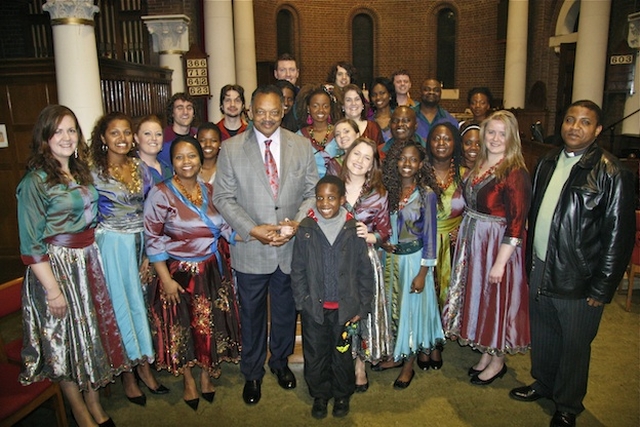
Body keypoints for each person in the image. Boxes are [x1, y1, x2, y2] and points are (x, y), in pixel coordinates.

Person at [508, 100, 635, 427]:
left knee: (574, 346)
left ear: (597, 130)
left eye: (584, 122)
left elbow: (618, 235)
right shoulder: (548, 160)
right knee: (545, 334)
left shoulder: (611, 172)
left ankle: (567, 405)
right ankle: (544, 383)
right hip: (540, 266)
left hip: (579, 279)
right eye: (569, 120)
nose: (574, 127)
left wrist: (603, 286)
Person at [17, 105, 129, 427]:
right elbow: (30, 245)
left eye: (71, 130)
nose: (66, 138)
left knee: (89, 336)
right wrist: (52, 291)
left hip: (86, 262)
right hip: (56, 268)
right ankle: (80, 413)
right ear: (45, 137)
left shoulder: (79, 172)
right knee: (63, 342)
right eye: (58, 131)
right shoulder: (34, 183)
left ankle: (94, 404)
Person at [213, 85, 319, 406]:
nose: (268, 118)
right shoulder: (231, 149)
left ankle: (280, 363)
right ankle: (253, 373)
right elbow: (222, 197)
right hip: (251, 248)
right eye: (261, 112)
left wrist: (295, 223)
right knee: (252, 314)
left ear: (283, 111)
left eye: (274, 112)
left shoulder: (301, 146)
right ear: (250, 112)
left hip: (289, 247)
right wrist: (252, 229)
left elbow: (313, 191)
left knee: (287, 313)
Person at [144, 136, 241, 411]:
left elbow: (224, 228)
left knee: (208, 326)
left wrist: (251, 235)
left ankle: (205, 374)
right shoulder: (160, 194)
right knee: (182, 327)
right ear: (172, 162)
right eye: (179, 157)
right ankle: (188, 379)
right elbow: (153, 239)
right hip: (178, 273)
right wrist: (166, 280)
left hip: (210, 269)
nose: (187, 162)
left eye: (192, 156)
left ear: (201, 159)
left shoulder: (210, 190)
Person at [442, 110, 531, 386]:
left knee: (496, 301)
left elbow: (516, 224)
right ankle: (485, 352)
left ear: (511, 138)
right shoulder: (480, 164)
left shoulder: (514, 171)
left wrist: (500, 262)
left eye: (502, 133)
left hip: (497, 245)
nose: (494, 138)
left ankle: (498, 360)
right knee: (479, 298)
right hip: (475, 242)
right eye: (490, 132)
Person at [90, 112, 168, 407]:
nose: (121, 138)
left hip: (141, 244)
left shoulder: (141, 169)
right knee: (120, 308)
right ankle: (128, 375)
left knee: (143, 307)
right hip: (112, 246)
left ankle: (145, 367)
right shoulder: (91, 172)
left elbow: (151, 214)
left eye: (126, 132)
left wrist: (149, 254)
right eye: (114, 133)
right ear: (103, 138)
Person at [291, 175, 374, 419]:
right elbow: (297, 270)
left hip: (345, 309)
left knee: (341, 354)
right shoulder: (306, 229)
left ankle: (341, 394)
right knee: (315, 353)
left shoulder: (352, 229)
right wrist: (303, 301)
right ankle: (320, 394)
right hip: (314, 308)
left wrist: (363, 304)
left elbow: (364, 271)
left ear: (342, 199)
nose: (325, 203)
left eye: (331, 198)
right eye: (320, 198)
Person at [377, 141, 443, 389]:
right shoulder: (387, 191)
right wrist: (382, 243)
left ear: (420, 164)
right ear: (394, 162)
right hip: (389, 261)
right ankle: (396, 355)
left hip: (414, 263)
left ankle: (408, 366)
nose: (407, 164)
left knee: (411, 313)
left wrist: (423, 273)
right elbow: (378, 225)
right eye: (402, 158)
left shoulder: (427, 195)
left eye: (413, 159)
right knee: (392, 311)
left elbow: (430, 238)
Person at [338, 138, 392, 393]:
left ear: (373, 165)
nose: (360, 160)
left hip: (364, 263)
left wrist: (371, 235)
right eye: (356, 153)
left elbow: (385, 232)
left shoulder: (379, 194)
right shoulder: (332, 186)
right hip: (335, 262)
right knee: (339, 314)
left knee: (362, 315)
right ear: (347, 155)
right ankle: (340, 361)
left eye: (367, 157)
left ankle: (360, 365)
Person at [427, 122, 466, 309]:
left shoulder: (465, 175)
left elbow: (476, 210)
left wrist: (463, 228)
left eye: (447, 139)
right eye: (436, 138)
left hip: (455, 247)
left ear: (455, 144)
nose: (441, 143)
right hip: (424, 245)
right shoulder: (419, 174)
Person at [296, 86, 339, 177]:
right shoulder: (299, 136)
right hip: (308, 187)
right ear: (308, 108)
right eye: (315, 106)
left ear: (330, 108)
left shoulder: (339, 133)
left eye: (325, 106)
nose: (321, 110)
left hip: (336, 186)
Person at [158, 92, 197, 167]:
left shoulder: (199, 135)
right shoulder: (161, 138)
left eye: (189, 108)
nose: (185, 112)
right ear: (172, 113)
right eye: (180, 108)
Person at [134, 114, 172, 183]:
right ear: (137, 138)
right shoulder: (132, 169)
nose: (154, 138)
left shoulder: (167, 168)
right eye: (147, 134)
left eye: (158, 134)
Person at [369, 77, 397, 142]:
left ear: (390, 95)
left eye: (382, 93)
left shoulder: (398, 118)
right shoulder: (368, 122)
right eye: (374, 94)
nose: (378, 97)